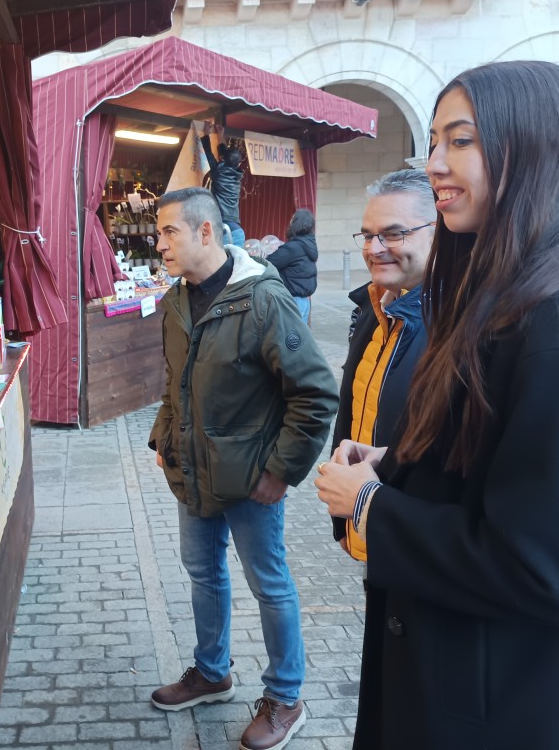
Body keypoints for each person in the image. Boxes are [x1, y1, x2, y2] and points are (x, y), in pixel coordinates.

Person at [314, 61, 559, 749]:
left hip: (510, 709)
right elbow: (506, 469)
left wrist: (372, 505)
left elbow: (546, 569)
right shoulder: (513, 295)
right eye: (434, 140)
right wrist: (405, 464)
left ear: (532, 144)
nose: (435, 163)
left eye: (460, 140)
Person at [148, 187, 338, 750]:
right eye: (158, 232)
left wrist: (281, 471)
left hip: (252, 482)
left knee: (269, 585)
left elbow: (315, 393)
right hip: (192, 475)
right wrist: (164, 435)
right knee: (203, 573)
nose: (159, 244)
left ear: (206, 232)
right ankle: (213, 673)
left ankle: (286, 697)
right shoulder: (178, 301)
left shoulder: (263, 299)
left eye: (169, 232)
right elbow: (173, 382)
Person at [331, 170, 434, 560]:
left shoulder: (465, 330)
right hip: (368, 519)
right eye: (367, 235)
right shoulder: (377, 309)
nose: (374, 248)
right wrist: (345, 518)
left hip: (417, 543)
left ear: (438, 232)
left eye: (393, 234)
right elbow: (353, 411)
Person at [265, 208, 319, 324]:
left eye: (292, 219)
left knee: (289, 338)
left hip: (293, 301)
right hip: (304, 301)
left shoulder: (292, 247)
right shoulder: (309, 243)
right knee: (299, 338)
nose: (290, 221)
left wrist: (273, 251)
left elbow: (269, 263)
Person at [200, 127, 246, 246]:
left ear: (223, 159)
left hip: (225, 230)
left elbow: (208, 153)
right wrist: (220, 135)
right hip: (236, 230)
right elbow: (223, 156)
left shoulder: (218, 172)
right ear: (239, 163)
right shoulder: (237, 174)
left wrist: (206, 133)